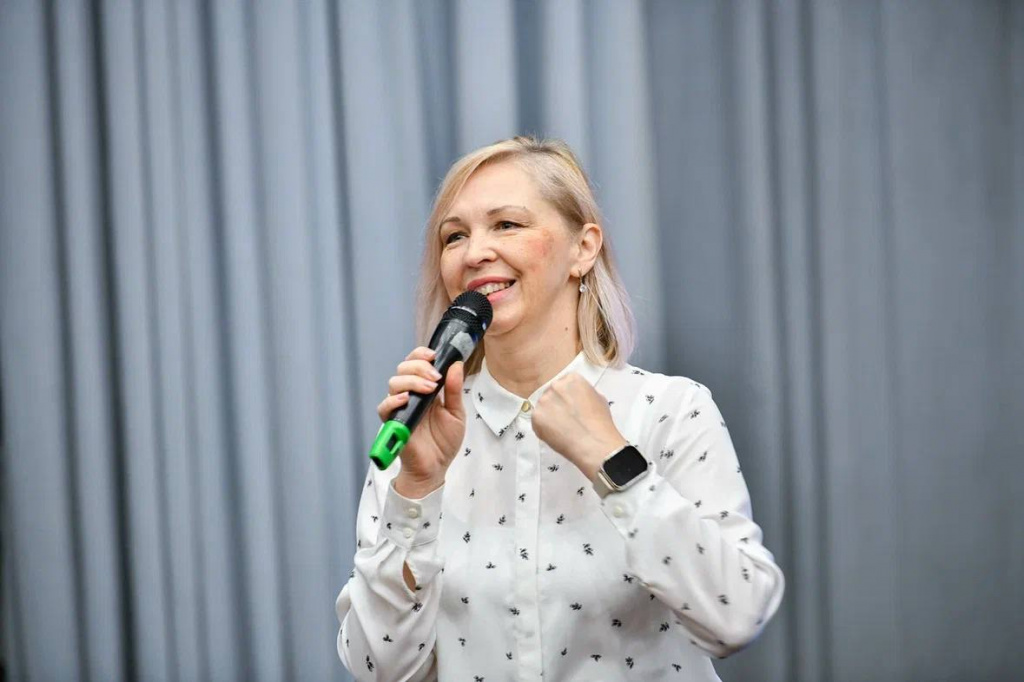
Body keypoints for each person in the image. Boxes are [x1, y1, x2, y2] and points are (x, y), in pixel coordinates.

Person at [335, 136, 784, 681]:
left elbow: (736, 616)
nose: (474, 253)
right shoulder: (418, 429)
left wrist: (614, 462)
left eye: (506, 224)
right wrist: (416, 490)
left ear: (583, 249)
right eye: (455, 236)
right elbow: (376, 667)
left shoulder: (670, 411)